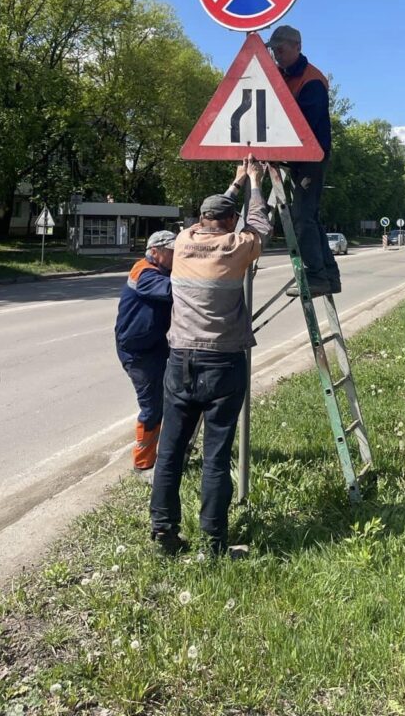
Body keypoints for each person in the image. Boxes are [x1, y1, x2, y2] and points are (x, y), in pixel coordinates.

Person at [149, 156, 271, 557]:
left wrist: (234, 184)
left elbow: (218, 213)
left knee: (170, 452)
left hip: (179, 359)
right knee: (215, 457)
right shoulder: (237, 247)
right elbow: (260, 225)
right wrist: (254, 182)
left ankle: (164, 534)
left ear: (200, 220)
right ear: (231, 221)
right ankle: (215, 543)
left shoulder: (183, 242)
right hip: (223, 363)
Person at [265, 25, 341, 297]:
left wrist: (276, 147)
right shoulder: (283, 75)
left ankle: (315, 277)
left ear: (297, 47)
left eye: (280, 50)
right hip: (296, 157)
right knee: (309, 216)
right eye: (273, 50)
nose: (276, 55)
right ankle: (329, 276)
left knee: (301, 217)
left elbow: (303, 126)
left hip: (311, 157)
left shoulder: (312, 81)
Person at [114, 229, 176, 478]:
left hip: (155, 344)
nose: (176, 255)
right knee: (151, 406)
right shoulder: (145, 272)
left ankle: (166, 454)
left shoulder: (163, 270)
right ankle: (143, 465)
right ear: (155, 251)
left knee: (170, 399)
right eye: (172, 251)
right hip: (137, 351)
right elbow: (172, 290)